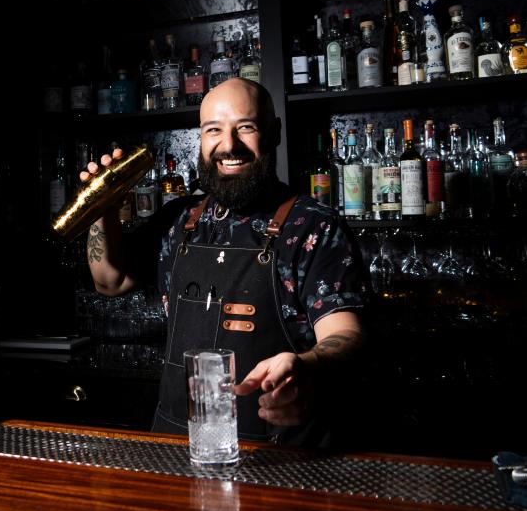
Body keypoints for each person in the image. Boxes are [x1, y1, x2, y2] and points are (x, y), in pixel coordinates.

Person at [80, 77, 367, 446]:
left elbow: (347, 333)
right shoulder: (178, 220)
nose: (228, 145)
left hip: (277, 459)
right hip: (174, 449)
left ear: (274, 132)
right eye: (213, 129)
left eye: (245, 127)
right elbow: (110, 281)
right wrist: (99, 209)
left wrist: (309, 367)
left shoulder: (313, 224)